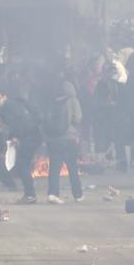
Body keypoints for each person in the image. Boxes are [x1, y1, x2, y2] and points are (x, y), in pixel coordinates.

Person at [0, 89, 41, 204]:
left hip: (31, 136)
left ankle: (30, 194)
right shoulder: (8, 107)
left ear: (5, 97)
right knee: (23, 164)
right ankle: (29, 192)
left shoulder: (9, 107)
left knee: (22, 164)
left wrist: (16, 136)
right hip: (31, 135)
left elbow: (19, 122)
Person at [44, 73, 84, 204]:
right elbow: (77, 119)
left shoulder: (53, 101)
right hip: (68, 139)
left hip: (53, 139)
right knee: (72, 167)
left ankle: (53, 194)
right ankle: (77, 194)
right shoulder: (73, 100)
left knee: (54, 168)